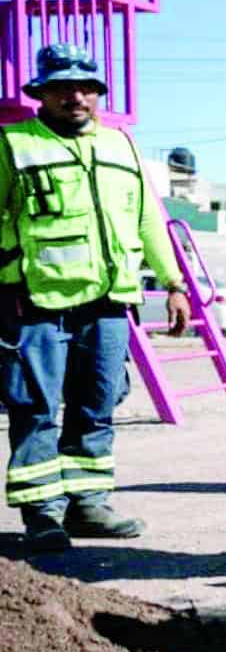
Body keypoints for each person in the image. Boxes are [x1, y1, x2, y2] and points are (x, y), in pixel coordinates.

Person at [0, 44, 189, 553]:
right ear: (42, 93)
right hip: (35, 303)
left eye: (85, 87)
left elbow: (149, 219)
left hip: (108, 303)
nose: (75, 96)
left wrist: (173, 283)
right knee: (35, 408)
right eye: (63, 87)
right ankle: (42, 513)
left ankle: (89, 504)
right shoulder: (12, 145)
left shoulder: (121, 145)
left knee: (97, 405)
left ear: (98, 95)